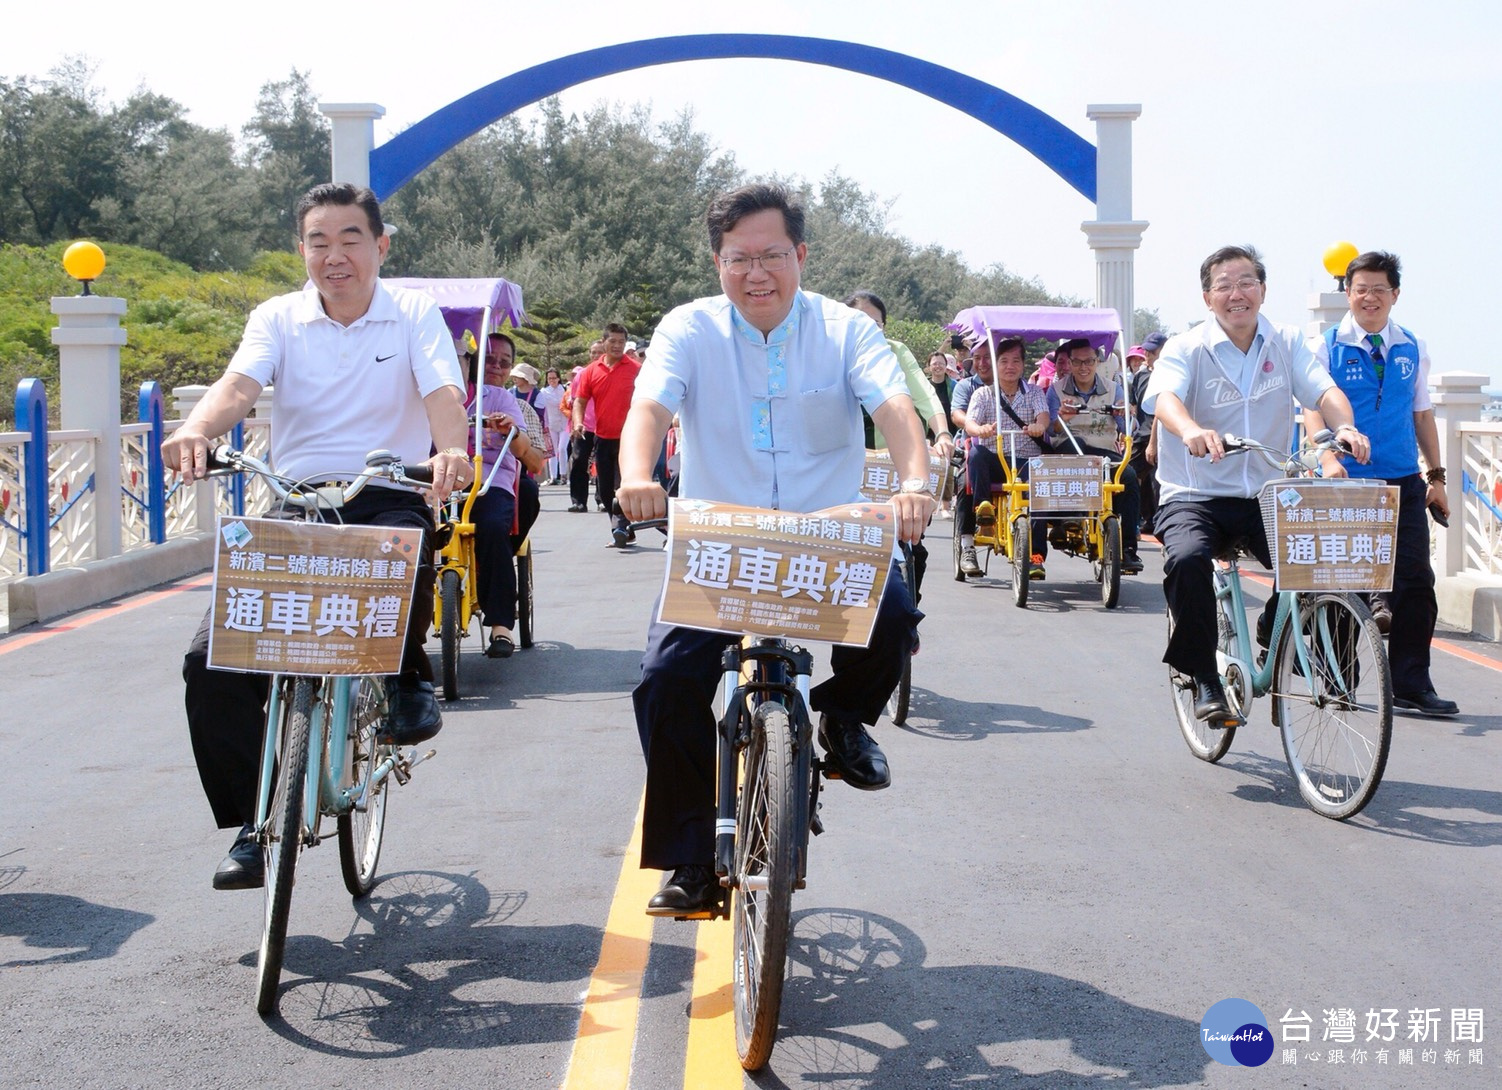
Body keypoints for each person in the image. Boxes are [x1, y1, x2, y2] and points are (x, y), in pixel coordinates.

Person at [615, 183, 934, 916]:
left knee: (892, 613)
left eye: (772, 256)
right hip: (722, 543)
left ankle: (845, 718)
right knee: (666, 679)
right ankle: (693, 857)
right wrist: (637, 476)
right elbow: (650, 408)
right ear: (717, 261)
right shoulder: (688, 330)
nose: (756, 274)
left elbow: (894, 408)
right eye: (738, 259)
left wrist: (914, 482)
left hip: (827, 537)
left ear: (801, 255)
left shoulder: (847, 332)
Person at [163, 182, 473, 890]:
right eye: (318, 242)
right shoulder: (277, 317)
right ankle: (253, 820)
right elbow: (238, 387)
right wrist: (195, 430)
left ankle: (403, 678)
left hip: (386, 490)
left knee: (410, 544)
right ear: (301, 250)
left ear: (380, 245)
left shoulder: (413, 315)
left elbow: (442, 397)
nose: (335, 257)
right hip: (297, 503)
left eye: (350, 240)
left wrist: (449, 449)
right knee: (210, 661)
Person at [1144, 245, 1370, 723]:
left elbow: (1322, 389)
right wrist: (1189, 431)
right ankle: (1203, 676)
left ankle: (1279, 629)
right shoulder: (1189, 347)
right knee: (1186, 561)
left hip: (1266, 492)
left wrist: (1344, 426)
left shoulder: (1285, 341)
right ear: (1208, 298)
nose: (1236, 294)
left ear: (1263, 290)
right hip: (1195, 493)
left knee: (1329, 557)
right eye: (1224, 285)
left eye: (1246, 282)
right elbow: (1165, 398)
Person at [1303, 251, 1458, 717]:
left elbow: (1422, 414)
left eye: (1379, 289)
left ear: (1395, 294)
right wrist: (1326, 455)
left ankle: (1411, 684)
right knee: (1340, 580)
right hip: (1342, 480)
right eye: (1360, 288)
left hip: (1402, 481)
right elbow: (1312, 406)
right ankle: (1336, 680)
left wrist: (1436, 477)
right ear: (1347, 293)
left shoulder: (1412, 345)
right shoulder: (1324, 345)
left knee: (1415, 581)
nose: (1369, 297)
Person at [468, 332, 545, 657]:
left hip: (494, 480)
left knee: (500, 521)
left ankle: (501, 623)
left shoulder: (508, 401)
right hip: (444, 483)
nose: (496, 367)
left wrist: (510, 431)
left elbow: (536, 461)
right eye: (489, 360)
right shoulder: (450, 394)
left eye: (504, 362)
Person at [1052, 338, 1144, 574]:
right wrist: (1063, 419)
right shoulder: (1056, 390)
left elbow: (1127, 428)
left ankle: (1129, 548)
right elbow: (1048, 430)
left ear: (1098, 362)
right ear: (1069, 363)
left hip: (1104, 453)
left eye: (1089, 361)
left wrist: (1124, 415)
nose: (1084, 367)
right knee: (1077, 448)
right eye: (1078, 362)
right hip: (1069, 449)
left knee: (1130, 477)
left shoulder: (1114, 389)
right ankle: (1068, 518)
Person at [961, 336, 1051, 578]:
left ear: (1023, 365)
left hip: (1026, 462)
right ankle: (983, 508)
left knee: (1039, 496)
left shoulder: (1033, 392)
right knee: (977, 453)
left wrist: (1039, 427)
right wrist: (979, 430)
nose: (1009, 366)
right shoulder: (983, 394)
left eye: (1015, 361)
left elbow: (1043, 416)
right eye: (1004, 361)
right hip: (996, 459)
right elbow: (970, 422)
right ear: (996, 364)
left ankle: (1036, 557)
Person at [571, 323, 641, 546]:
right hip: (602, 437)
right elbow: (579, 401)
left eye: (622, 342)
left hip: (629, 438)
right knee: (604, 488)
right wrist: (578, 422)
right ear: (603, 342)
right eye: (613, 341)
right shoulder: (591, 371)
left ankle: (619, 527)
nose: (618, 346)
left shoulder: (636, 369)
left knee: (623, 485)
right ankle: (622, 528)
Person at [950, 338, 996, 577]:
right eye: (977, 358)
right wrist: (974, 425)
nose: (982, 363)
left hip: (1008, 448)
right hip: (973, 445)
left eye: (987, 357)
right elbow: (957, 414)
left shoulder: (1015, 387)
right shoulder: (965, 386)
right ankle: (967, 545)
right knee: (965, 480)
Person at [1132, 331, 1168, 535]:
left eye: (1153, 351)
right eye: (1146, 350)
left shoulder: (1168, 376)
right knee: (1130, 476)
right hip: (1141, 436)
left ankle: (1161, 523)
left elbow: (1160, 414)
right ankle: (1145, 519)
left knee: (1158, 482)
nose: (1148, 355)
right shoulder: (1141, 376)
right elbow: (1135, 407)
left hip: (1160, 437)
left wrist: (1153, 443)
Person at [566, 347, 602, 512]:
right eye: (593, 352)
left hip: (605, 425)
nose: (595, 355)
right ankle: (578, 501)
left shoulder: (610, 373)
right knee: (579, 460)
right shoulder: (581, 375)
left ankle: (603, 499)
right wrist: (575, 424)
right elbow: (574, 402)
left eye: (599, 352)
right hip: (584, 425)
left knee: (604, 464)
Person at [535, 367, 569, 484]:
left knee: (562, 448)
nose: (552, 380)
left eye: (554, 378)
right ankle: (553, 477)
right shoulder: (543, 392)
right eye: (550, 378)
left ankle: (563, 475)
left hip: (565, 423)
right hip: (551, 424)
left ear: (559, 378)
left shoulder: (565, 390)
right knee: (552, 451)